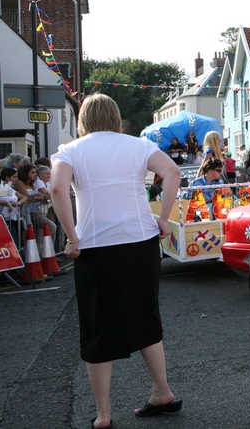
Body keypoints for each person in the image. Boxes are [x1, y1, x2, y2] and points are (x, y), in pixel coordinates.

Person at [49, 94, 182, 429]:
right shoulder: (137, 145)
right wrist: (163, 217)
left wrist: (72, 236)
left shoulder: (71, 150)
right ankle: (162, 391)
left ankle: (104, 414)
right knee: (145, 315)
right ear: (115, 115)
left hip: (96, 247)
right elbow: (172, 172)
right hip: (140, 241)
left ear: (83, 119)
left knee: (98, 324)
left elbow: (57, 189)